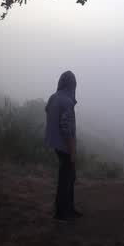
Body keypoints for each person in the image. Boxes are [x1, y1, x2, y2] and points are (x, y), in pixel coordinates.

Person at [45, 70, 82, 221]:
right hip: (65, 146)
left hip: (55, 144)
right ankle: (62, 213)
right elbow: (66, 128)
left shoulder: (54, 97)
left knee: (69, 177)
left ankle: (69, 208)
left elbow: (47, 109)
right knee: (66, 179)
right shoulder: (67, 101)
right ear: (72, 85)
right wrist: (72, 150)